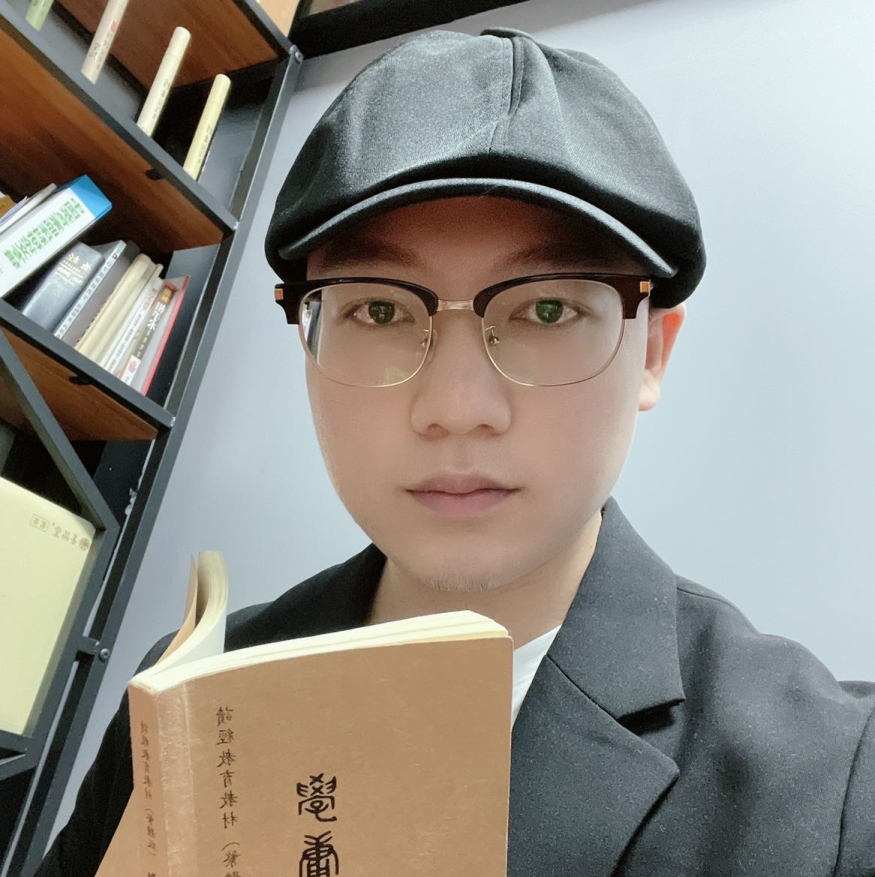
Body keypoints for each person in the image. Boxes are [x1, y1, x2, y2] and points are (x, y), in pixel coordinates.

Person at [39, 27, 874, 877]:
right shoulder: (189, 692)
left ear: (651, 352)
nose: (455, 408)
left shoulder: (834, 781)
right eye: (377, 310)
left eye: (546, 310)